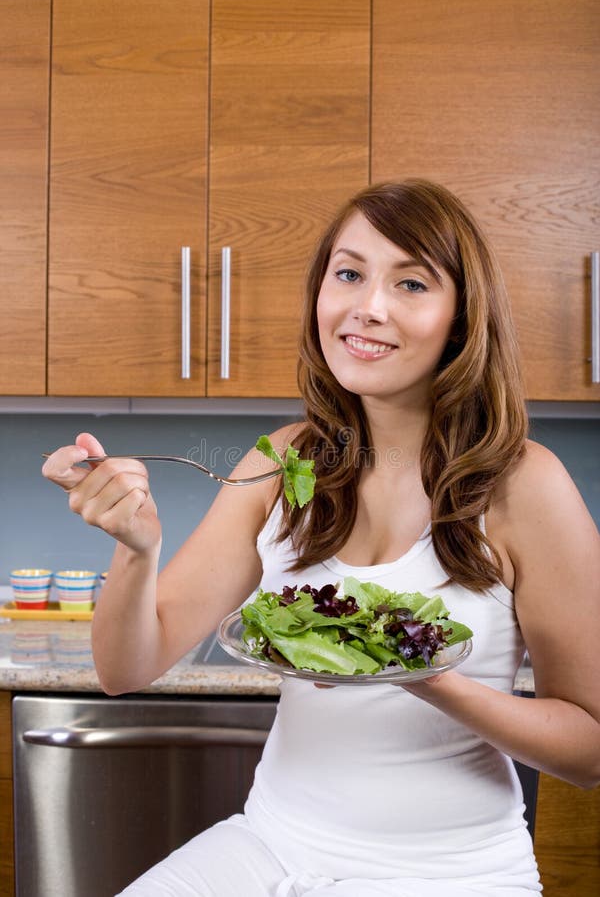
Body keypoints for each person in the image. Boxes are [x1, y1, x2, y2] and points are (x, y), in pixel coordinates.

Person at [42, 180, 600, 897]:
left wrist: (426, 680)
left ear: (461, 319)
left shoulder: (524, 484)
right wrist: (135, 546)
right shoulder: (284, 462)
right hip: (271, 845)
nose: (368, 306)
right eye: (349, 273)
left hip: (446, 873)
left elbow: (589, 750)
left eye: (411, 283)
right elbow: (126, 668)